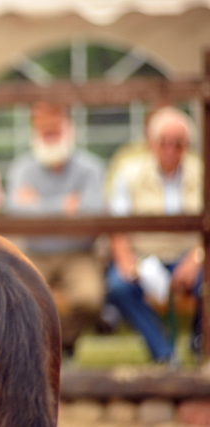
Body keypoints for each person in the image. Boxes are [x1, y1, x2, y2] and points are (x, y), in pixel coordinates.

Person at [6, 101, 105, 359]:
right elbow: (15, 209)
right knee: (19, 296)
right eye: (44, 130)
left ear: (68, 128)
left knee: (90, 298)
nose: (49, 134)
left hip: (78, 253)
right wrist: (65, 203)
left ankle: (62, 343)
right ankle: (40, 350)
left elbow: (93, 208)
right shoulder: (22, 167)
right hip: (36, 252)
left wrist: (37, 203)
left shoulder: (90, 166)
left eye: (55, 129)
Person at [106, 106, 202, 364]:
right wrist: (128, 262)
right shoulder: (128, 173)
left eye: (178, 143)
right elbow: (117, 225)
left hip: (190, 256)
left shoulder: (202, 172)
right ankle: (164, 353)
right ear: (151, 143)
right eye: (164, 142)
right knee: (118, 285)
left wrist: (196, 258)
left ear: (188, 145)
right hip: (144, 256)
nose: (170, 149)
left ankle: (199, 342)